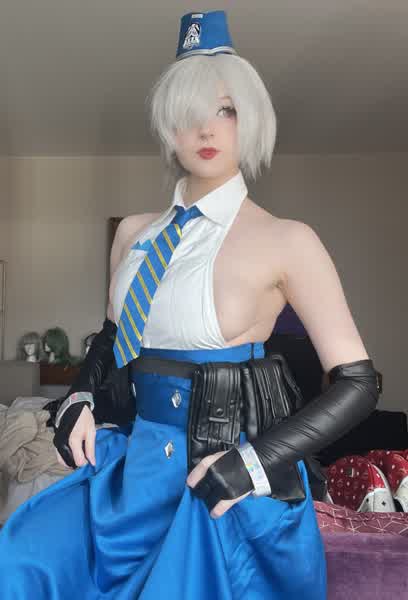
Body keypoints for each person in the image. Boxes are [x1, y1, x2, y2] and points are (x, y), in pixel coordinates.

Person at [0, 10, 381, 599]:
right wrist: (78, 397)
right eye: (188, 115)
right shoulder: (133, 235)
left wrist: (254, 463)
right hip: (134, 467)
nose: (205, 129)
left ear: (249, 119)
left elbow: (358, 383)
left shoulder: (288, 240)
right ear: (167, 128)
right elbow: (112, 337)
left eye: (224, 110)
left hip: (224, 479)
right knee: (22, 559)